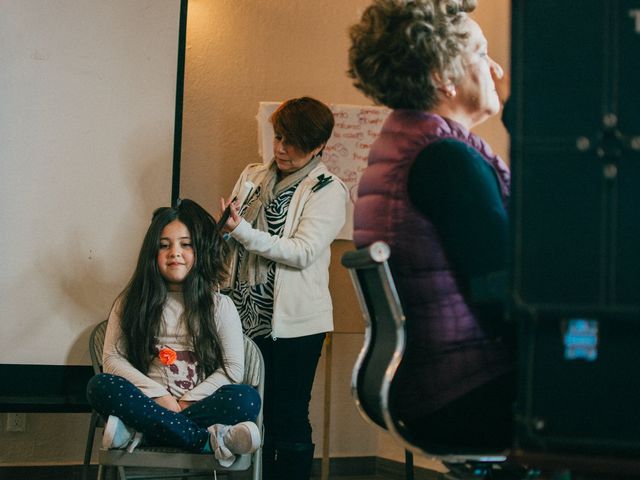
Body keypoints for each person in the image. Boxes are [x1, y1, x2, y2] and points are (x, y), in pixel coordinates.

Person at [348, 0, 516, 451]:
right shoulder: (445, 160)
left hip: (433, 383)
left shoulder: (406, 144)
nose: (496, 69)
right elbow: (503, 290)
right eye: (481, 53)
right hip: (465, 387)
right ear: (443, 74)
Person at [219, 97, 348, 480]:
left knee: (287, 413)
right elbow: (232, 237)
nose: (281, 148)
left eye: (293, 142)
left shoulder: (328, 188)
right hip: (242, 316)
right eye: (278, 136)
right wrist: (224, 232)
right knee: (244, 411)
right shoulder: (253, 175)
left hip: (294, 326)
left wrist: (240, 230)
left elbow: (302, 251)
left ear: (318, 146)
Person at [86, 199, 261, 467]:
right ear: (151, 253)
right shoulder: (130, 301)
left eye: (186, 244)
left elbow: (233, 369)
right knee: (100, 387)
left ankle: (139, 433)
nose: (174, 253)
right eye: (164, 245)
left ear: (200, 250)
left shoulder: (219, 306)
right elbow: (112, 360)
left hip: (196, 406)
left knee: (246, 399)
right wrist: (161, 398)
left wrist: (186, 403)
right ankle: (208, 440)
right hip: (149, 402)